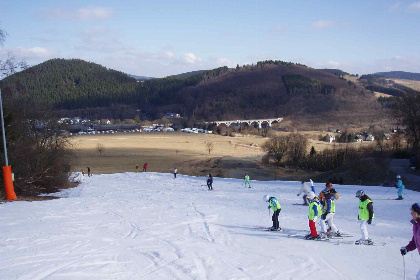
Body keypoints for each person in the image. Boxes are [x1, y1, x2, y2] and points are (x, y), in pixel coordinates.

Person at [400, 203, 420, 279]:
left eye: (413, 212)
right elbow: (415, 241)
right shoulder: (416, 224)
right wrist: (407, 248)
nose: (411, 214)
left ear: (418, 213)